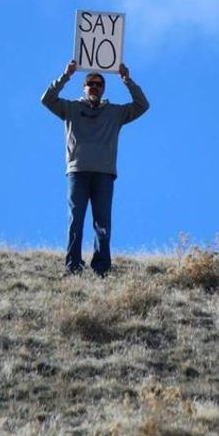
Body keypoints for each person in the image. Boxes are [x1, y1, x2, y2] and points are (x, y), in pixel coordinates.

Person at [41, 60, 149, 276]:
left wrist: (127, 80)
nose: (94, 86)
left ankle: (101, 268)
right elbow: (47, 99)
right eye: (90, 83)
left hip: (104, 174)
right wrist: (66, 75)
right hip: (78, 172)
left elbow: (141, 105)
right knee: (76, 221)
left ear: (103, 89)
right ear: (84, 87)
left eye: (99, 84)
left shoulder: (115, 113)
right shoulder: (70, 108)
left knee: (102, 223)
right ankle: (73, 266)